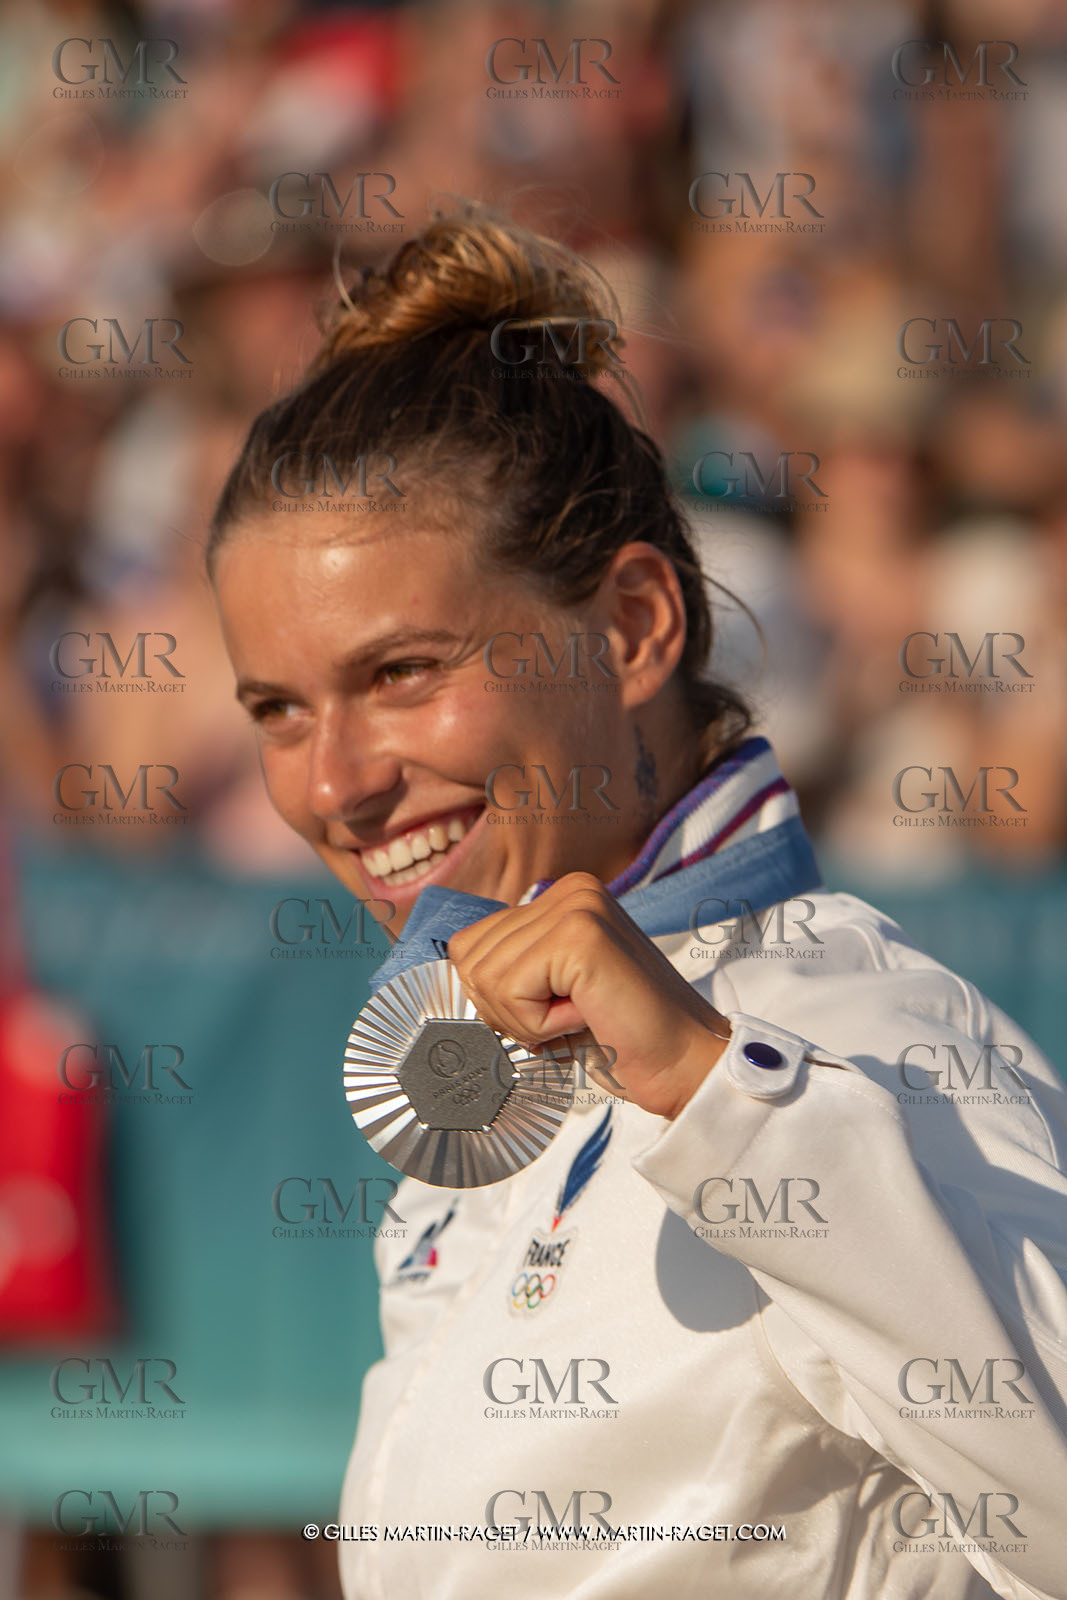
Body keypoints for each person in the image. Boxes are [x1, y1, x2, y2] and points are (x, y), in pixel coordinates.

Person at [207, 208, 1067, 1600]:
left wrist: (719, 1095)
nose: (336, 783)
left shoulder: (861, 1030)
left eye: (404, 673)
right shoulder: (479, 1064)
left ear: (630, 628)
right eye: (279, 709)